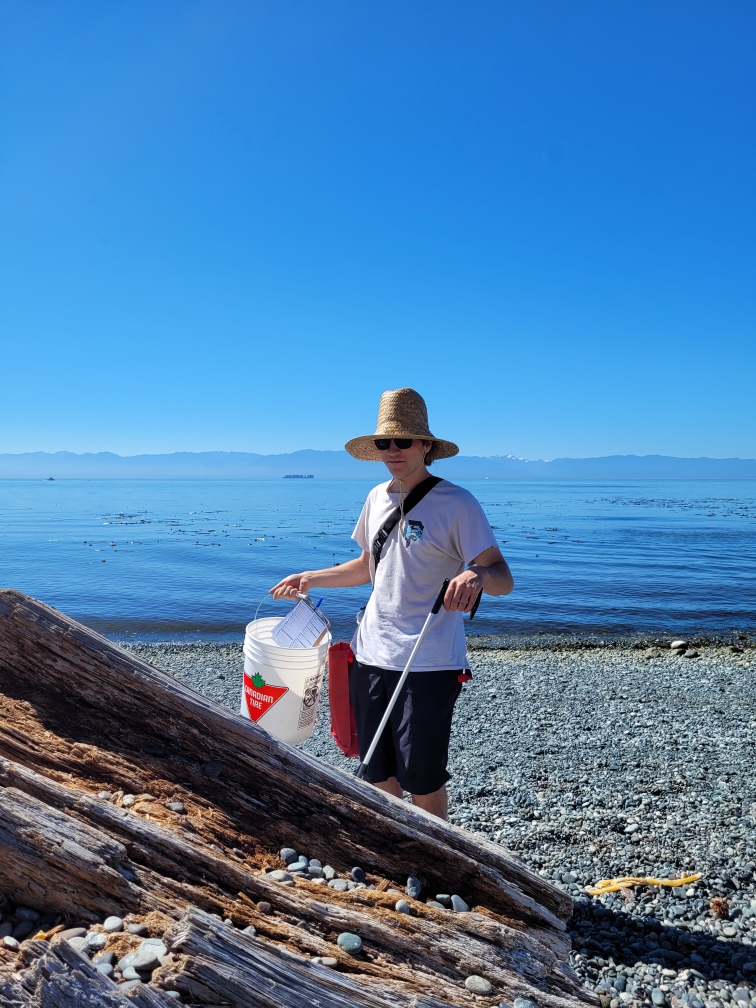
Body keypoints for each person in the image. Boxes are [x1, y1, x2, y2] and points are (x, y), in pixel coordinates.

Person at [270, 387, 513, 820]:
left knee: (422, 775)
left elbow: (502, 578)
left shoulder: (457, 503)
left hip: (428, 660)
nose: (393, 450)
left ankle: (437, 847)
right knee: (375, 768)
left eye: (403, 440)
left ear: (426, 446)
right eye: (385, 442)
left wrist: (476, 575)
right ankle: (393, 841)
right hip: (369, 654)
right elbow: (367, 567)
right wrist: (311, 577)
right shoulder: (376, 497)